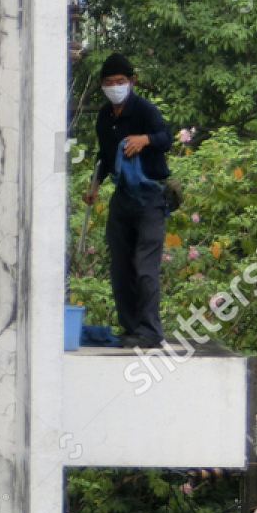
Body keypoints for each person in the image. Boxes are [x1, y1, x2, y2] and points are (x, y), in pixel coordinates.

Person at [82, 52, 171, 348]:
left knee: (145, 266)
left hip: (150, 196)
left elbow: (165, 137)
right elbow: (104, 157)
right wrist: (94, 186)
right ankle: (130, 328)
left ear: (132, 81)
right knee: (120, 266)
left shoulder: (144, 109)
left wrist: (144, 140)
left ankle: (149, 330)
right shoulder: (104, 117)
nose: (115, 87)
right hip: (123, 197)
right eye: (109, 83)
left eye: (120, 81)